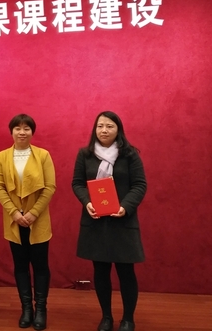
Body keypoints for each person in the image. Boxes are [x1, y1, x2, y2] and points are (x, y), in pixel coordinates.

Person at [71, 111, 147, 331]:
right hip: (96, 222)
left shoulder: (129, 155)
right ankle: (106, 317)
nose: (104, 130)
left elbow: (140, 185)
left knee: (126, 272)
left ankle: (128, 319)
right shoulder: (85, 154)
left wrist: (125, 207)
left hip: (122, 222)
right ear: (95, 129)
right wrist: (87, 202)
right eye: (100, 126)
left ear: (118, 129)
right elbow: (77, 183)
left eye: (109, 126)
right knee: (101, 271)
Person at [0, 114, 56, 330]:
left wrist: (34, 213)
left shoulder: (43, 155)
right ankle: (26, 309)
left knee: (40, 265)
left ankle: (41, 309)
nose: (22, 132)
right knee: (20, 266)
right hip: (14, 221)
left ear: (32, 132)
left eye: (26, 128)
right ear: (11, 131)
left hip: (37, 220)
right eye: (18, 128)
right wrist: (13, 213)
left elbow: (50, 187)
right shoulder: (2, 157)